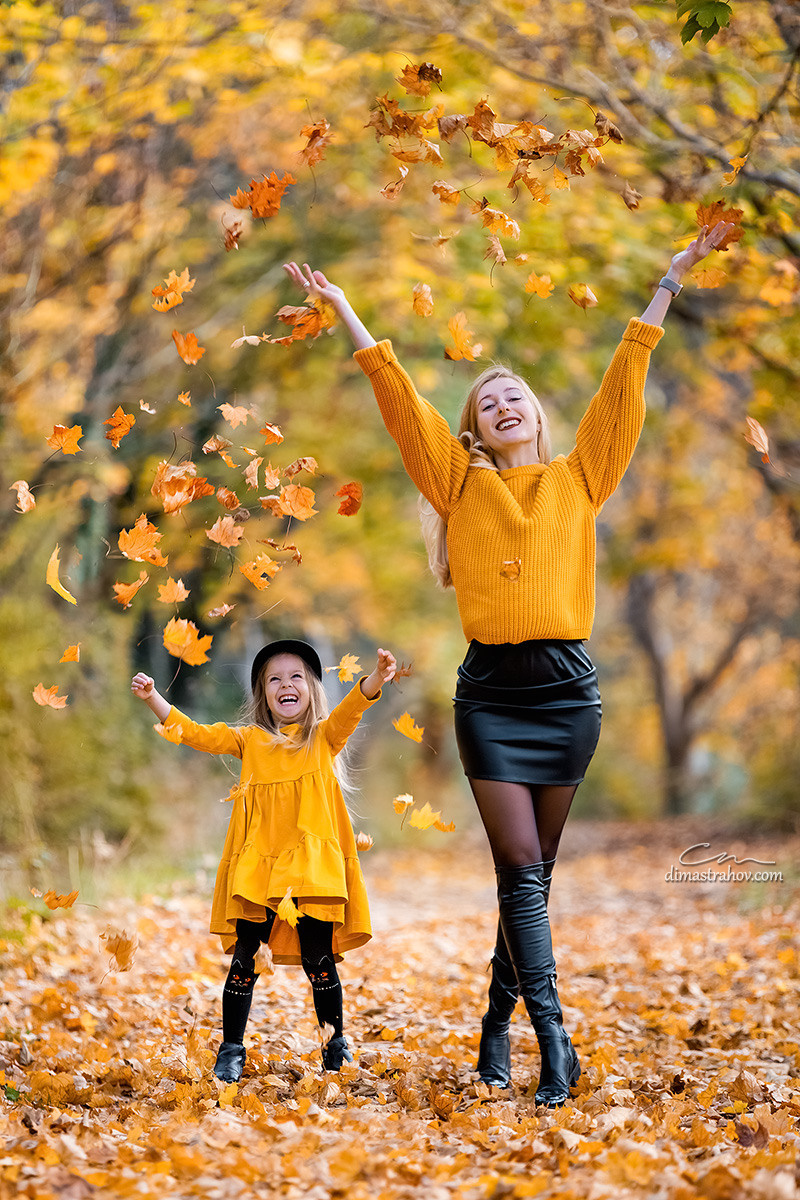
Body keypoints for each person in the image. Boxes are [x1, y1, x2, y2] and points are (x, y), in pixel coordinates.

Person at [283, 223, 733, 1106]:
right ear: (475, 428)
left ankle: (495, 1022)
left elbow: (623, 382)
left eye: (515, 393)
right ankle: (553, 1040)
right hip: (490, 696)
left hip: (568, 694)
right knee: (522, 865)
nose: (502, 402)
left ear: (537, 415)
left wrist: (668, 281)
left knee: (526, 877)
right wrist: (347, 315)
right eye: (487, 399)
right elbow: (406, 407)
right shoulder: (460, 483)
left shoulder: (582, 477)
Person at [131, 639, 397, 1083]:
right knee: (246, 958)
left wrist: (375, 679)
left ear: (311, 689)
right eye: (274, 679)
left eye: (295, 677)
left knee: (319, 958)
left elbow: (353, 709)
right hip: (260, 869)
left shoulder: (322, 738)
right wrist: (154, 698)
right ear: (263, 694)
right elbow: (195, 733)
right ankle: (231, 1048)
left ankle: (336, 1045)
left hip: (309, 868)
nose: (285, 684)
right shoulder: (249, 741)